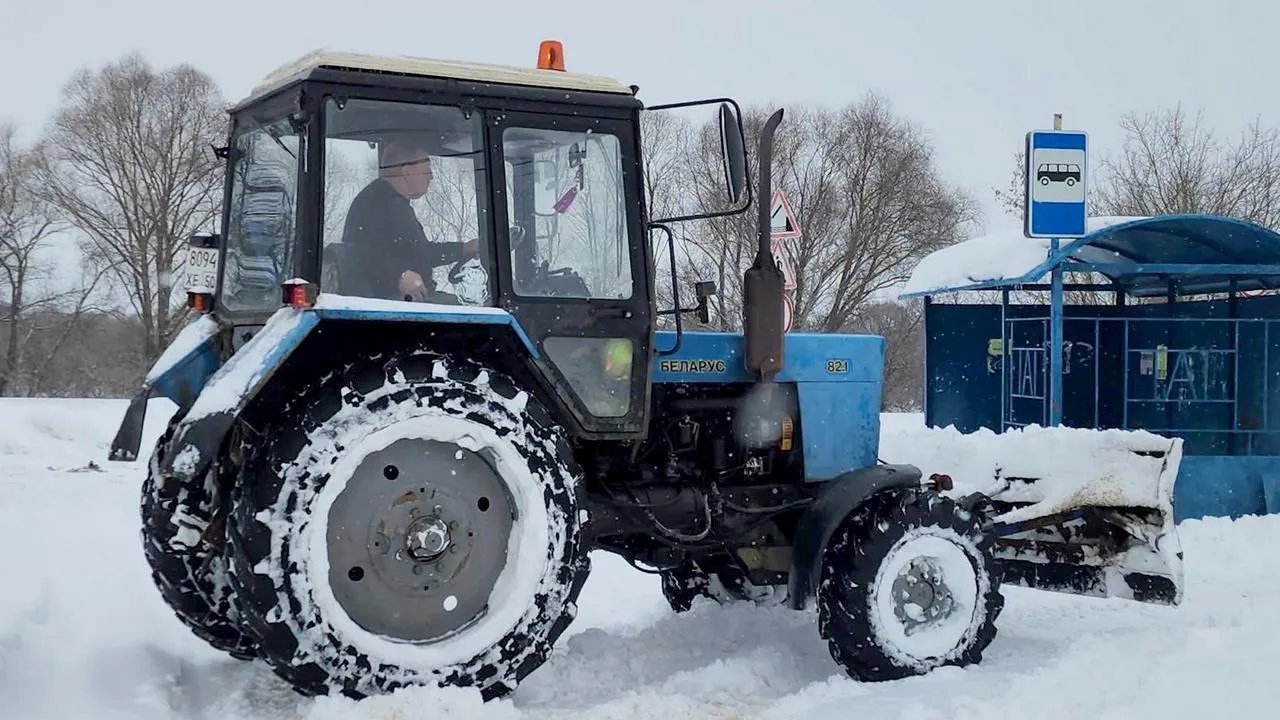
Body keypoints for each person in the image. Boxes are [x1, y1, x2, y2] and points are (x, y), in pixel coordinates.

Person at [341, 134, 478, 300]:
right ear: (407, 171)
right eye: (426, 169)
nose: (431, 176)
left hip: (405, 300)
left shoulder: (393, 203)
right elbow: (356, 252)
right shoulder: (377, 204)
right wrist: (398, 276)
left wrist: (464, 249)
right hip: (389, 303)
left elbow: (420, 253)